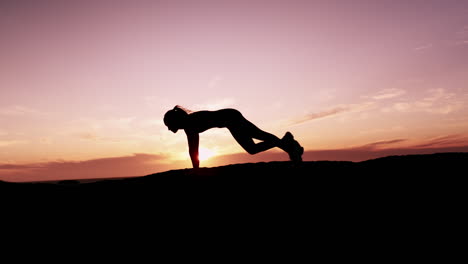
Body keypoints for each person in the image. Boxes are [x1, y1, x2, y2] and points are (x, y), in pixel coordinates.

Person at [163, 105, 304, 169]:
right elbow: (193, 150)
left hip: (231, 118)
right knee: (258, 139)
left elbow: (194, 151)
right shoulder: (190, 123)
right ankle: (289, 145)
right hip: (230, 117)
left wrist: (196, 172)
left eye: (169, 125)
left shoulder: (190, 125)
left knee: (253, 146)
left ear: (176, 121)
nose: (169, 129)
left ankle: (287, 143)